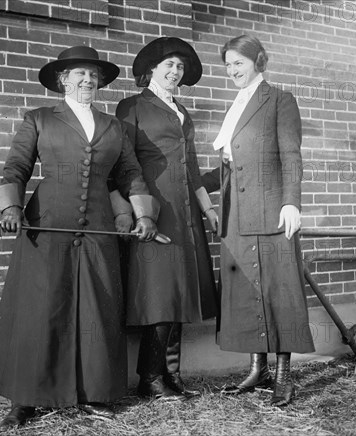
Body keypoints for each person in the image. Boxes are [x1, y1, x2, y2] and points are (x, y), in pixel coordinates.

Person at [0, 45, 159, 426]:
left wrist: (143, 214)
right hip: (46, 226)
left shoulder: (114, 126)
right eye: (80, 74)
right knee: (41, 309)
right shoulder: (40, 119)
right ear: (64, 79)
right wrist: (11, 208)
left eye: (93, 75)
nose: (88, 80)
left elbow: (130, 173)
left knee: (97, 308)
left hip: (97, 227)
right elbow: (16, 166)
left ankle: (94, 393)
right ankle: (25, 399)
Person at [204, 34, 315, 407]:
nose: (233, 70)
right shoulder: (234, 106)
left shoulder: (280, 100)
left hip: (271, 210)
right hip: (236, 212)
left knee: (278, 290)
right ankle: (258, 369)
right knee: (247, 289)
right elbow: (228, 164)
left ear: (258, 61)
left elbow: (292, 156)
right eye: (228, 65)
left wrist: (291, 203)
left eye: (239, 62)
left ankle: (284, 375)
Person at [111, 37, 219, 401]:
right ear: (152, 69)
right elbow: (121, 163)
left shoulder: (182, 112)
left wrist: (208, 209)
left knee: (181, 292)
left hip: (186, 213)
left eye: (181, 67)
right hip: (154, 212)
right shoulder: (132, 107)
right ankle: (149, 378)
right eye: (169, 65)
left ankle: (172, 374)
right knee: (159, 293)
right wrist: (133, 211)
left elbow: (192, 169)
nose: (176, 72)